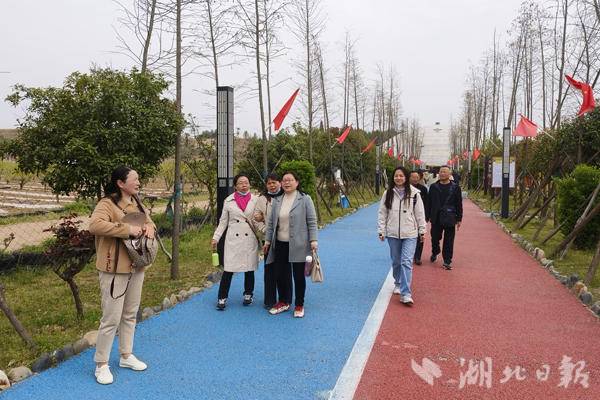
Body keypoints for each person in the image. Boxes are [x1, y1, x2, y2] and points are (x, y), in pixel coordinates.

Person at [89, 166, 155, 385]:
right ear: (120, 183)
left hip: (136, 265)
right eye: (134, 179)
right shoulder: (106, 204)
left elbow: (148, 222)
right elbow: (95, 225)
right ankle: (101, 364)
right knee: (111, 318)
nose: (138, 183)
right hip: (114, 268)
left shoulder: (137, 202)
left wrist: (150, 228)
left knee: (130, 314)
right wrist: (126, 230)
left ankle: (126, 355)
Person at [262, 171, 318, 318]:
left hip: (299, 244)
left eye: (290, 180)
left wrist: (313, 240)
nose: (287, 183)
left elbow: (312, 221)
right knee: (280, 274)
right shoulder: (277, 200)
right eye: (284, 180)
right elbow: (271, 223)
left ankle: (299, 304)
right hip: (280, 243)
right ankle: (284, 301)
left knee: (298, 276)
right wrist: (267, 241)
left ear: (297, 182)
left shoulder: (305, 199)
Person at [377, 166, 426, 305]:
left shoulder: (415, 194)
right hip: (392, 233)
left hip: (410, 233)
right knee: (396, 261)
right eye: (396, 176)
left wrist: (422, 230)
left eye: (401, 176)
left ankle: (406, 293)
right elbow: (382, 213)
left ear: (406, 177)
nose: (398, 178)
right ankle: (398, 282)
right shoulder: (388, 193)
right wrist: (381, 230)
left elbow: (420, 213)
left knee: (406, 261)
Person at [211, 174, 260, 310]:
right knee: (229, 269)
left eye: (246, 182)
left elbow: (260, 218)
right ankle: (222, 297)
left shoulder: (256, 200)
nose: (244, 185)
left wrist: (260, 218)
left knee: (249, 268)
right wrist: (216, 237)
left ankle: (248, 294)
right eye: (240, 183)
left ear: (249, 184)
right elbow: (223, 222)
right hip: (234, 240)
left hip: (249, 238)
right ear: (235, 186)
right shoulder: (228, 201)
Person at [254, 173, 284, 309]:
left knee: (284, 270)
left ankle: (284, 298)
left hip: (285, 238)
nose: (272, 185)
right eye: (269, 183)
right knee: (269, 269)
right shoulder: (262, 199)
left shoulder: (286, 196)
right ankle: (269, 300)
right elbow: (256, 218)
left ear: (280, 183)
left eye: (274, 182)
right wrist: (266, 230)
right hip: (269, 240)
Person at [427, 165, 463, 270]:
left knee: (449, 240)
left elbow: (459, 203)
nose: (442, 173)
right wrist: (427, 216)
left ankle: (447, 261)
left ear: (450, 174)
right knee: (435, 238)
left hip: (450, 217)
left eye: (445, 172)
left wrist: (459, 218)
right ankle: (435, 251)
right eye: (441, 172)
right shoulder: (433, 187)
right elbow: (429, 202)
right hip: (436, 217)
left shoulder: (455, 187)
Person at [409, 170, 429, 265]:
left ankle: (418, 257)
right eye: (413, 177)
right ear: (409, 178)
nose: (415, 179)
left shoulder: (423, 189)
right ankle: (409, 255)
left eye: (417, 177)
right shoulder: (405, 189)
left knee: (420, 236)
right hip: (408, 217)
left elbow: (427, 203)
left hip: (420, 216)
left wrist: (427, 216)